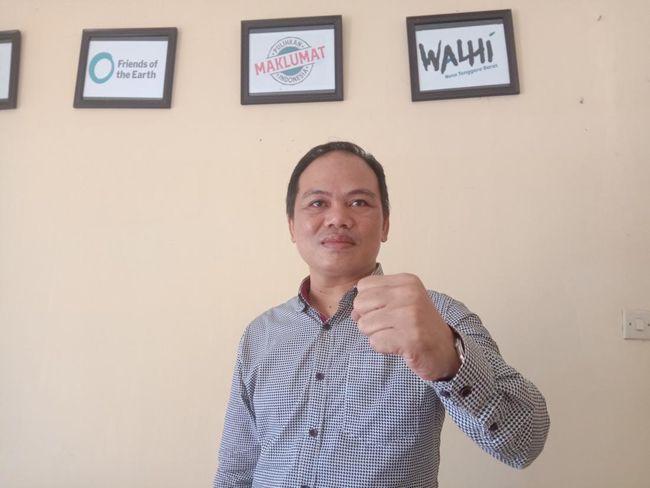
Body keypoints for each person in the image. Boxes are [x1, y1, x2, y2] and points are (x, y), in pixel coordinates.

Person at [213, 141, 550, 488]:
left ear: (385, 224)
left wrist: (450, 360)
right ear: (292, 226)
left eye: (359, 202)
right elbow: (236, 470)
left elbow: (525, 442)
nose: (338, 218)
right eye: (318, 203)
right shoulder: (261, 334)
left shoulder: (437, 316)